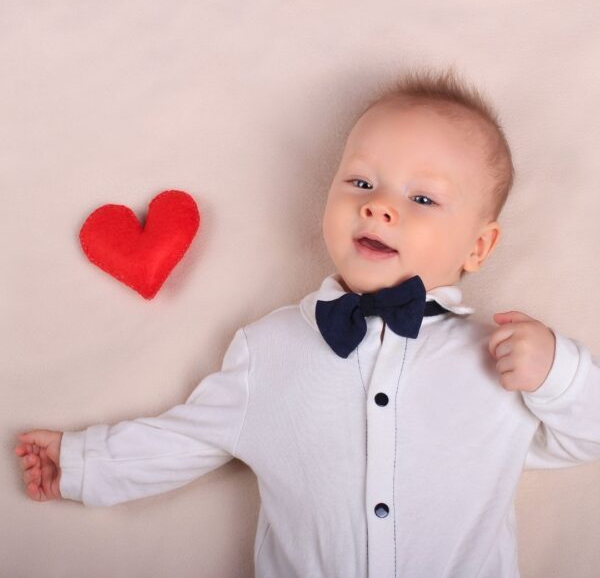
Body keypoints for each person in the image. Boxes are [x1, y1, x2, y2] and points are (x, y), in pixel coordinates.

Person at [14, 66, 600, 578]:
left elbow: (588, 435)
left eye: (422, 199)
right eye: (361, 183)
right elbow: (187, 437)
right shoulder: (269, 348)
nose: (378, 206)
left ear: (479, 246)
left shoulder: (503, 361)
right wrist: (85, 462)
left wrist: (560, 372)